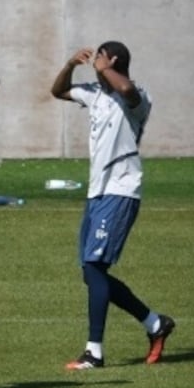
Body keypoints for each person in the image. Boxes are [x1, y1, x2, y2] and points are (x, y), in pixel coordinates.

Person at [50, 42, 175, 369]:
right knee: (92, 273)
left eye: (102, 58)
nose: (96, 63)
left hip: (121, 190)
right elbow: (58, 90)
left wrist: (106, 70)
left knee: (94, 268)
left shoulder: (137, 97)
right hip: (97, 192)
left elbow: (128, 90)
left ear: (114, 61)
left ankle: (94, 352)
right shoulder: (94, 93)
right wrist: (69, 65)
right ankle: (155, 324)